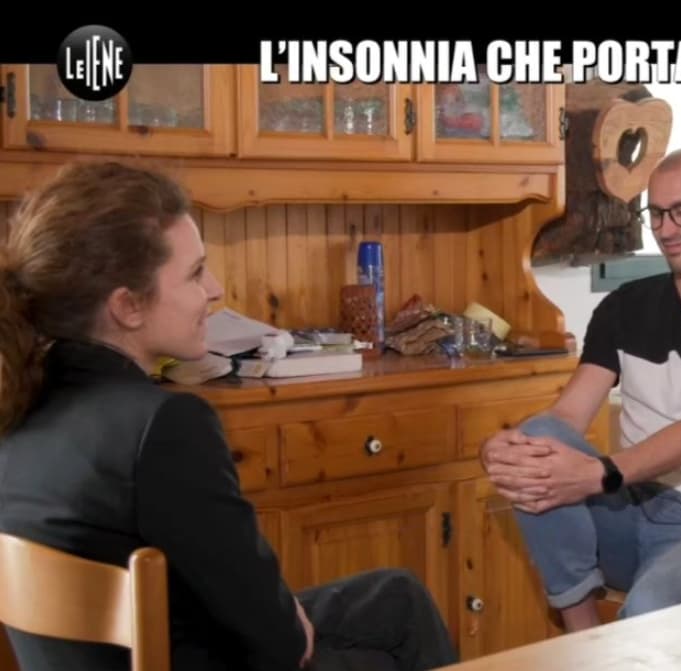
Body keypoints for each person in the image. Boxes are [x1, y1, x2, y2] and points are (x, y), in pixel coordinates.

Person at [0, 160, 458, 671]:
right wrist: (287, 624)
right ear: (128, 306)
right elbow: (284, 647)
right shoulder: (162, 427)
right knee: (392, 631)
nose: (216, 288)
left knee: (395, 598)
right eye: (196, 273)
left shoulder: (18, 402)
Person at [479, 147, 681, 629]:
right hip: (628, 509)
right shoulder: (624, 305)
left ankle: (608, 649)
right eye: (656, 213)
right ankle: (582, 635)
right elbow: (568, 415)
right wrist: (506, 448)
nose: (667, 229)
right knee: (538, 440)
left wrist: (599, 474)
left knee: (650, 613)